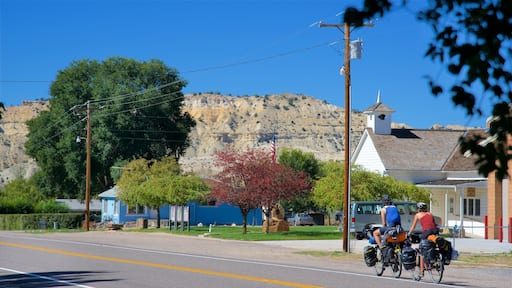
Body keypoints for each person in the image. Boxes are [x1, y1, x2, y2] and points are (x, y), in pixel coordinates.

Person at [408, 202, 440, 276]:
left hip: (426, 232)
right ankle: (433, 261)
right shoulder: (430, 214)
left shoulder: (417, 215)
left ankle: (421, 271)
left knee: (421, 251)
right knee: (432, 246)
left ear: (419, 209)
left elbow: (413, 226)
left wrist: (409, 233)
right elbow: (433, 224)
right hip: (434, 232)